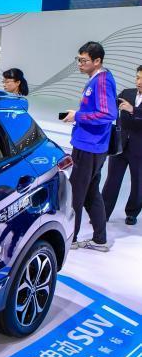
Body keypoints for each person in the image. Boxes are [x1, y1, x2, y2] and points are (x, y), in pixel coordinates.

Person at [63, 41, 118, 251]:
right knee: (91, 193)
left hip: (89, 146)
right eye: (78, 59)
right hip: (91, 145)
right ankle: (99, 239)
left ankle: (72, 238)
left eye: (84, 60)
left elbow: (108, 114)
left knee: (77, 193)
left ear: (97, 61)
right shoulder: (97, 79)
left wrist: (77, 116)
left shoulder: (102, 81)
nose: (80, 64)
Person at [103, 64, 142, 225]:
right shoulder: (127, 93)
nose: (139, 82)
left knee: (138, 183)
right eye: (138, 77)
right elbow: (110, 105)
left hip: (139, 149)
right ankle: (103, 213)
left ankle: (132, 213)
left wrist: (133, 110)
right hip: (120, 145)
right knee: (112, 180)